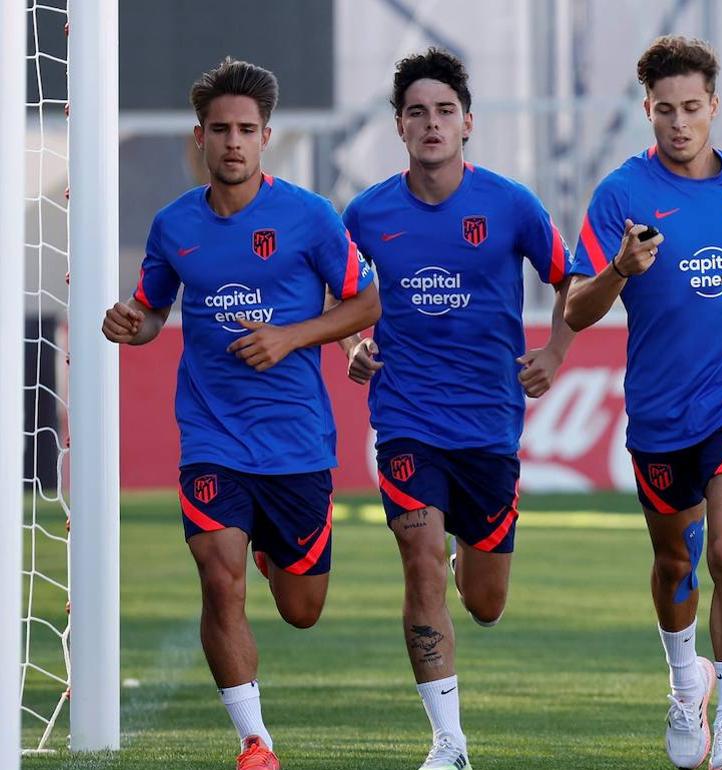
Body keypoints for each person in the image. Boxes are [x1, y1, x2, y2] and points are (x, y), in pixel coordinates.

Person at [101, 58, 380, 770]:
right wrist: (130, 323)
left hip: (296, 444)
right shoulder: (174, 227)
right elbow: (151, 309)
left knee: (301, 608)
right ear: (199, 137)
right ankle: (255, 742)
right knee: (216, 572)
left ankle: (271, 549)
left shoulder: (310, 217)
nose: (233, 141)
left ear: (267, 138)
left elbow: (368, 301)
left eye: (246, 130)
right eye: (220, 129)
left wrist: (292, 335)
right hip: (212, 436)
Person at [564, 36, 722, 770]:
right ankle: (685, 682)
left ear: (715, 107)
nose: (679, 123)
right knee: (676, 560)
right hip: (659, 410)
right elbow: (576, 310)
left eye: (692, 109)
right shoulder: (619, 195)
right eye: (665, 111)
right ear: (648, 110)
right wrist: (619, 270)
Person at [338, 48, 575, 770]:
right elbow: (337, 290)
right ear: (400, 127)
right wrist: (353, 340)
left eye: (445, 111)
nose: (432, 124)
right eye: (418, 113)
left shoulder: (510, 204)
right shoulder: (368, 213)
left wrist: (557, 352)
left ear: (467, 123)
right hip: (407, 416)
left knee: (486, 602)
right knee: (419, 560)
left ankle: (474, 540)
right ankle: (448, 743)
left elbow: (573, 279)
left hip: (491, 423)